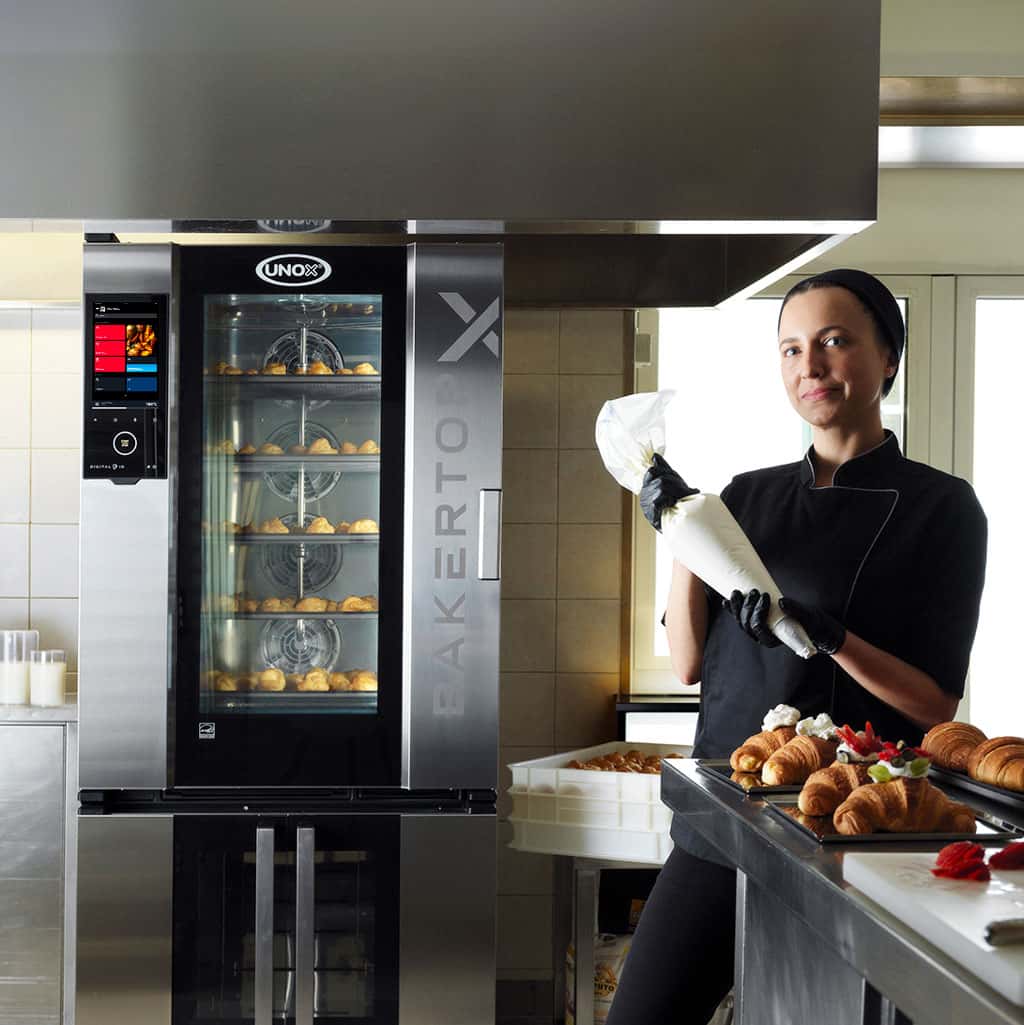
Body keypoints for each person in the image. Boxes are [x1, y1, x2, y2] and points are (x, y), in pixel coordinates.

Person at [605, 269, 987, 1025]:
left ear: (889, 357)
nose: (808, 366)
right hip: (725, 819)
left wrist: (836, 637)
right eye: (791, 348)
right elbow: (688, 662)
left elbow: (936, 700)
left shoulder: (943, 507)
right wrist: (680, 528)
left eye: (834, 341)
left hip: (851, 838)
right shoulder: (744, 496)